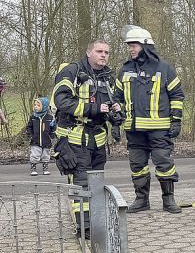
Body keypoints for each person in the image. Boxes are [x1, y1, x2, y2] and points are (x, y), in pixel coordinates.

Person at [51, 39, 122, 230]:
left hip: (98, 141)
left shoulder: (108, 77)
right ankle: (86, 229)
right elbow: (62, 101)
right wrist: (93, 108)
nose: (103, 55)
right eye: (99, 51)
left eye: (107, 52)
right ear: (89, 52)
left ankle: (97, 223)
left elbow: (112, 102)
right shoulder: (71, 72)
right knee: (81, 185)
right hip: (74, 140)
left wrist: (116, 113)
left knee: (96, 184)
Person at [113, 26, 185, 213]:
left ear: (145, 45)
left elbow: (177, 95)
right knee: (137, 165)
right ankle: (141, 199)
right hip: (134, 129)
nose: (131, 49)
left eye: (134, 45)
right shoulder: (125, 70)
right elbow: (117, 98)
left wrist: (176, 119)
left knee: (164, 164)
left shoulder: (164, 68)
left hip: (159, 128)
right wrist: (115, 120)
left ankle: (168, 200)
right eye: (129, 46)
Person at [25, 96, 55, 176]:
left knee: (46, 155)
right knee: (34, 155)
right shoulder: (33, 117)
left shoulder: (50, 118)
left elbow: (53, 128)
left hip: (46, 140)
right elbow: (29, 127)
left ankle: (45, 168)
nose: (35, 107)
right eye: (35, 105)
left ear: (44, 106)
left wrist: (52, 136)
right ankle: (33, 168)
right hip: (35, 140)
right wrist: (30, 135)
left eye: (38, 105)